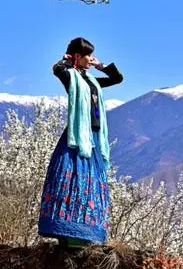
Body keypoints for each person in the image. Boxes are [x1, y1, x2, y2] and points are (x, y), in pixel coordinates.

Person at [38, 37, 123, 248]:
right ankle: (67, 230)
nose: (91, 59)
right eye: (88, 56)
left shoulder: (92, 81)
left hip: (94, 138)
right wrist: (66, 60)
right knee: (72, 179)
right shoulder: (71, 77)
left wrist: (101, 66)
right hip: (77, 136)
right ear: (77, 56)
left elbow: (117, 78)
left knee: (92, 181)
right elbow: (57, 69)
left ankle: (88, 231)